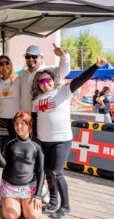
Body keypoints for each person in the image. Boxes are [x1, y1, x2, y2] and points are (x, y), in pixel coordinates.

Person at [31, 57, 108, 218]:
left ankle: (65, 207)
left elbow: (81, 79)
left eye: (47, 79)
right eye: (40, 82)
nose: (44, 83)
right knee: (47, 171)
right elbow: (34, 119)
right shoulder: (36, 100)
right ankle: (53, 201)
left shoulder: (63, 91)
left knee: (57, 172)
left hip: (61, 140)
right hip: (43, 141)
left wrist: (95, 66)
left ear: (53, 80)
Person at [0, 110, 44, 219]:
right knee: (11, 215)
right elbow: (3, 165)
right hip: (10, 187)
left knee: (34, 216)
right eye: (16, 123)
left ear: (29, 125)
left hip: (29, 187)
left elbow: (40, 171)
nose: (18, 127)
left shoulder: (36, 144)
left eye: (22, 123)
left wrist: (38, 195)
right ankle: (15, 203)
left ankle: (23, 204)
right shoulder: (8, 141)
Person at [20, 44, 70, 111]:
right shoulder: (23, 74)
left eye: (34, 56)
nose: (30, 59)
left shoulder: (49, 70)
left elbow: (64, 71)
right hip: (27, 117)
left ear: (42, 58)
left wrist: (64, 56)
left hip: (42, 116)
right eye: (27, 57)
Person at [0, 55, 21, 141]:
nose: (4, 66)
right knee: (4, 148)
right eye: (1, 64)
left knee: (17, 147)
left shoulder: (19, 80)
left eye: (7, 63)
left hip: (18, 120)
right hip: (2, 120)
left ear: (11, 64)